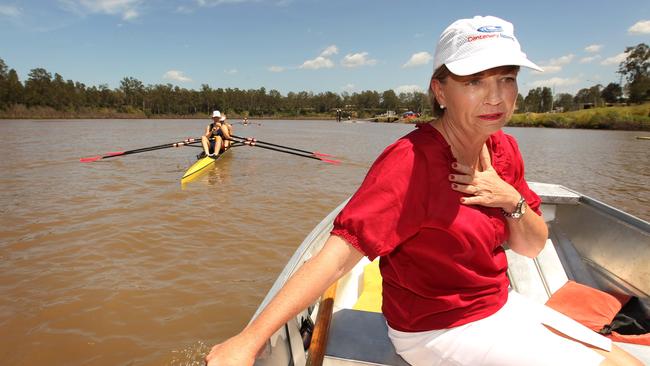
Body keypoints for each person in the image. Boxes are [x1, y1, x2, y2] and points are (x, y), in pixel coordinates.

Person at [205, 16, 641, 366]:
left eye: (506, 79)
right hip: (437, 330)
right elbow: (336, 256)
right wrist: (249, 340)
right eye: (474, 81)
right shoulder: (409, 164)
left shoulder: (504, 148)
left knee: (625, 358)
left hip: (499, 304)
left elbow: (530, 247)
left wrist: (509, 198)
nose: (495, 96)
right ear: (440, 90)